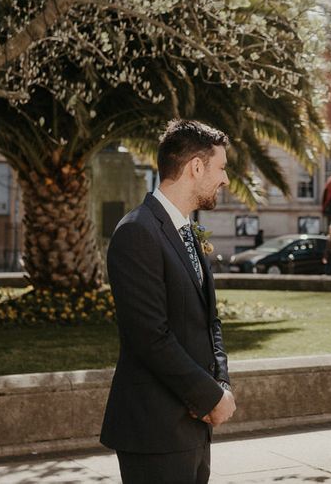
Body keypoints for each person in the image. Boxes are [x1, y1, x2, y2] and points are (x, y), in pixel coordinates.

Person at [100, 119, 237, 484]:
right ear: (196, 167)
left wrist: (221, 384)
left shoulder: (188, 232)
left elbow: (211, 322)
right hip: (154, 430)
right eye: (221, 168)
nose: (225, 179)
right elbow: (150, 337)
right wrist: (209, 397)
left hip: (194, 426)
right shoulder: (136, 232)